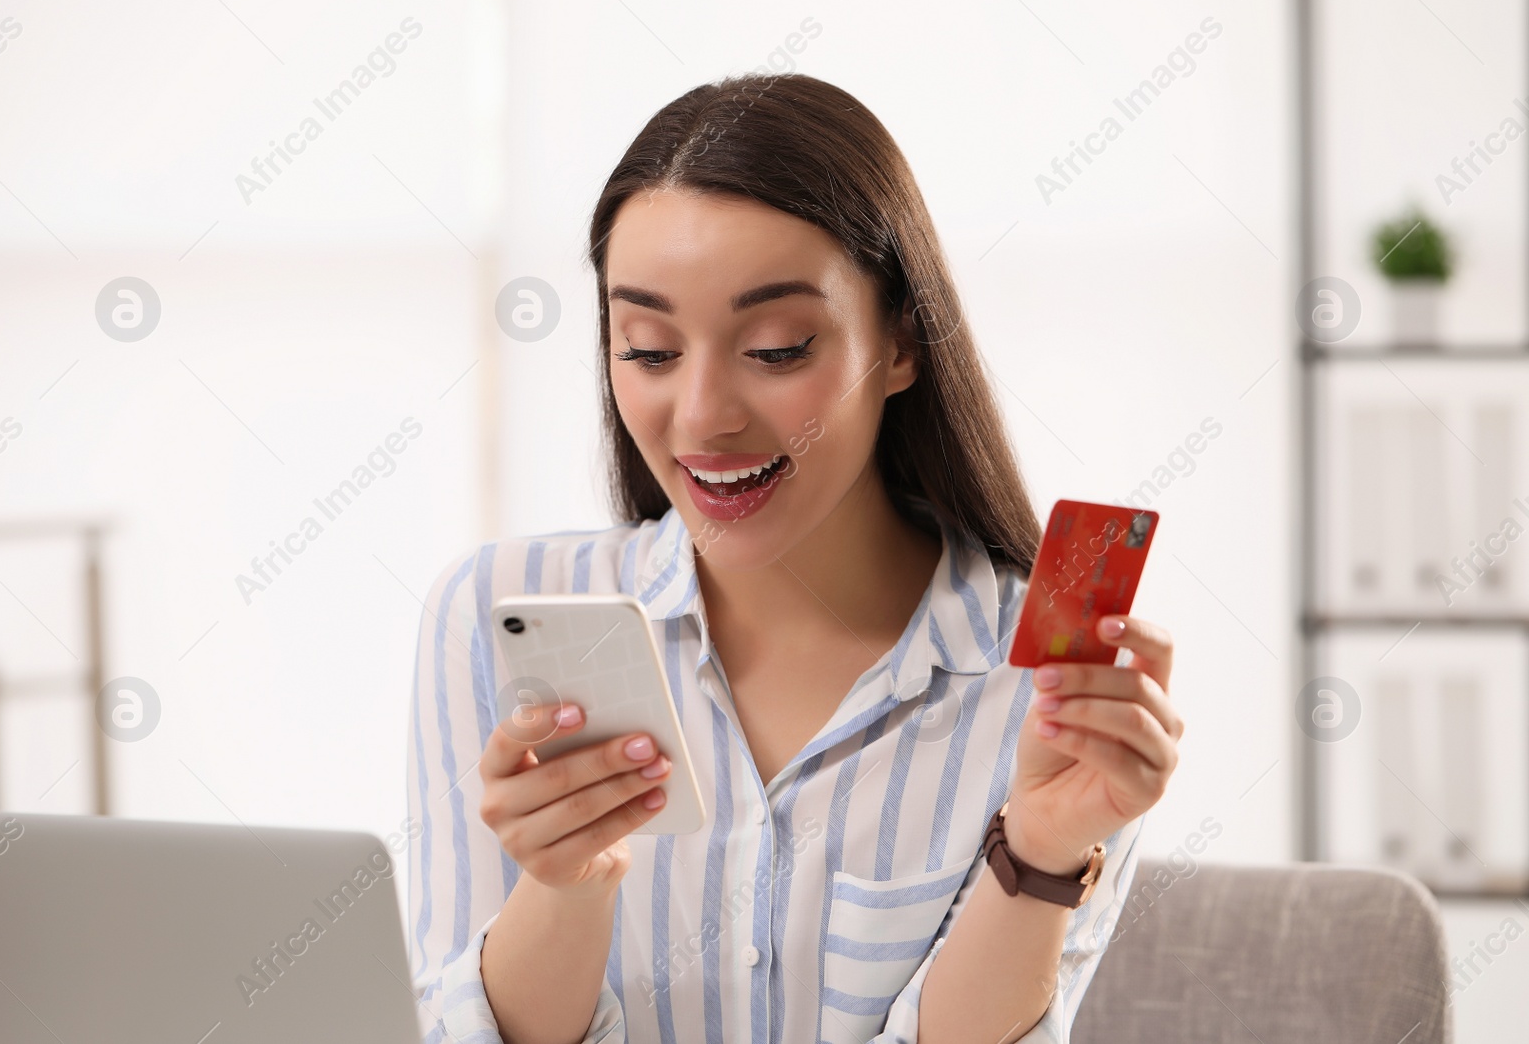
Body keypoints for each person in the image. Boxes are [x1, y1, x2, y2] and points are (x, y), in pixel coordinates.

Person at [407, 72, 1182, 1044]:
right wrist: (563, 887)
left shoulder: (1048, 679)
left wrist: (1036, 853)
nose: (701, 416)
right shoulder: (494, 609)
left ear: (902, 340)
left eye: (774, 348)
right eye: (647, 348)